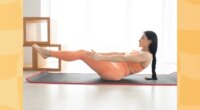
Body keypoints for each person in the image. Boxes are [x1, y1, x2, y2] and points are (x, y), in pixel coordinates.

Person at [32, 31, 158, 81]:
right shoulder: (138, 51)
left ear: (149, 42)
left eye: (142, 38)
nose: (139, 39)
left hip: (114, 72)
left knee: (82, 53)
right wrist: (98, 54)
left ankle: (47, 53)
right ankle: (47, 53)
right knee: (85, 53)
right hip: (113, 67)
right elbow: (119, 53)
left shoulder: (147, 56)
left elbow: (123, 58)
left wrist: (100, 58)